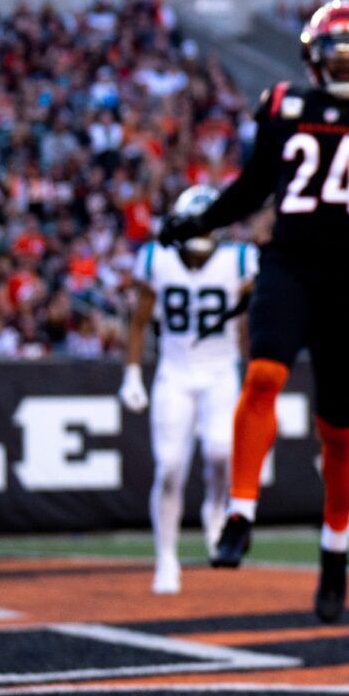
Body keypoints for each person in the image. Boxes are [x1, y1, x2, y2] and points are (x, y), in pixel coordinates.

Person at [158, 0, 349, 623]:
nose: (343, 67)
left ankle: (335, 548)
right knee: (262, 374)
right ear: (313, 60)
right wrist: (199, 219)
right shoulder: (286, 105)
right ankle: (238, 512)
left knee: (339, 428)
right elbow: (255, 184)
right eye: (334, 56)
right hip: (287, 262)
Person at [120, 185, 254, 595]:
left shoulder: (240, 260)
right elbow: (140, 320)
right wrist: (131, 373)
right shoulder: (157, 258)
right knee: (170, 467)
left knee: (219, 450)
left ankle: (215, 509)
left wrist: (255, 373)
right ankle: (166, 558)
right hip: (174, 373)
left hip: (219, 370)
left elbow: (252, 320)